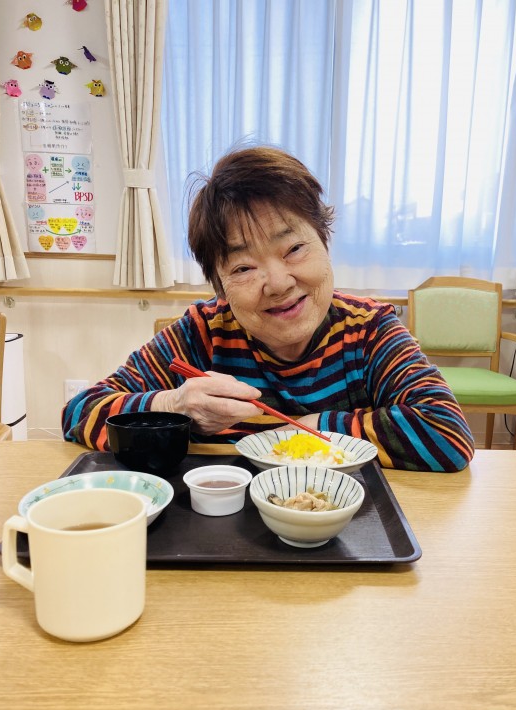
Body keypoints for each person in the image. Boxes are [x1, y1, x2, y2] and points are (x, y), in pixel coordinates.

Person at [62, 146, 475, 471]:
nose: (278, 283)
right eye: (243, 267)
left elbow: (447, 434)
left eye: (293, 248)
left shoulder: (369, 329)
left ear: (325, 241)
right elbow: (80, 412)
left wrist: (314, 429)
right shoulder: (203, 332)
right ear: (220, 287)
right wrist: (174, 405)